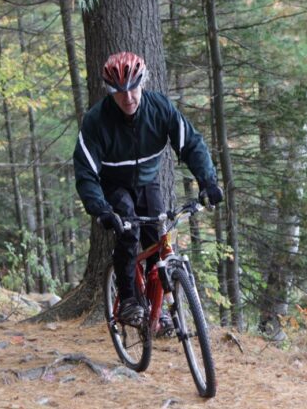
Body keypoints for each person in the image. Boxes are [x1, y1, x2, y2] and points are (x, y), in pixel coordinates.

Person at [73, 51, 224, 327]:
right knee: (129, 231)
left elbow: (191, 143)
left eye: (133, 88)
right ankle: (129, 299)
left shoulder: (159, 109)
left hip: (147, 182)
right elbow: (85, 172)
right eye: (119, 92)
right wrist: (100, 209)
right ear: (109, 92)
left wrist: (208, 182)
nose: (128, 97)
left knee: (158, 239)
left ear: (142, 83)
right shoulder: (97, 122)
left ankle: (159, 311)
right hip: (113, 185)